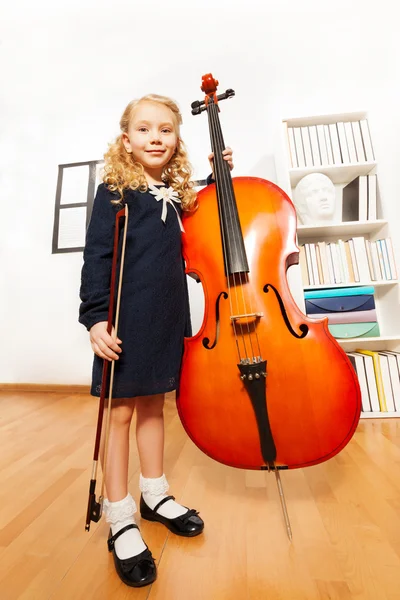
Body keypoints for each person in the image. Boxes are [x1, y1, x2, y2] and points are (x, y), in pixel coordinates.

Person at [79, 94, 233, 588]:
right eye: (144, 130)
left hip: (167, 317)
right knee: (121, 413)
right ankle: (121, 516)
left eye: (165, 130)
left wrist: (218, 179)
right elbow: (97, 256)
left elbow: (205, 216)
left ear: (176, 139)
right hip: (125, 321)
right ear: (127, 140)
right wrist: (95, 320)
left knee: (153, 408)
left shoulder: (175, 191)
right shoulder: (115, 191)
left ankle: (154, 494)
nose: (155, 138)